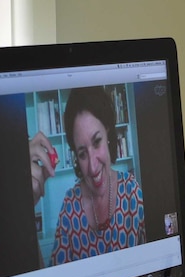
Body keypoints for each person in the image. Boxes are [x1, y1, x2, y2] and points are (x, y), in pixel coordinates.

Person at [29, 86, 145, 266]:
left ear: (107, 132)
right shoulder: (70, 207)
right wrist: (24, 213)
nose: (92, 167)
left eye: (97, 142)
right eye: (82, 153)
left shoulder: (132, 192)